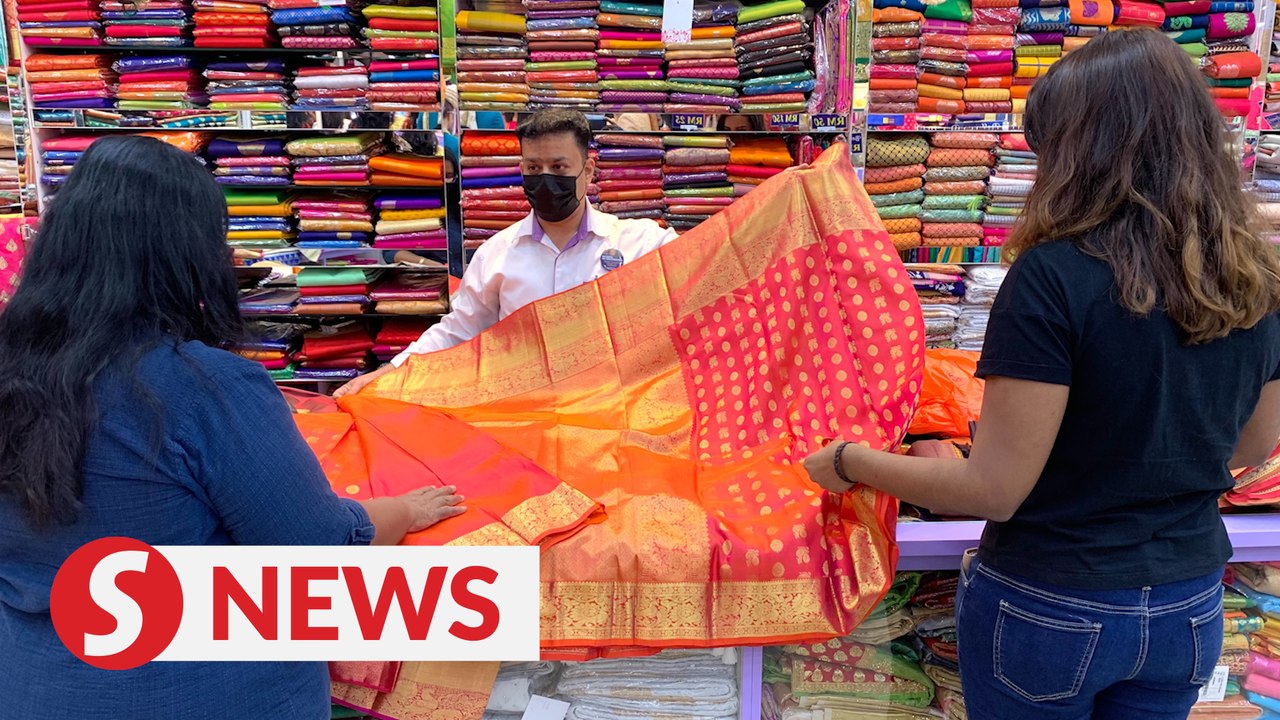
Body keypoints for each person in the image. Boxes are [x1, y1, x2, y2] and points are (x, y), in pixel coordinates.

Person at [804, 28, 1280, 720]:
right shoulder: (1255, 278)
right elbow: (1250, 447)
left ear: (1083, 150)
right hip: (1188, 602)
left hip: (1056, 602)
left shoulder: (1056, 276)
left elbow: (992, 490)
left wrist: (853, 461)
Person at [0, 136, 466, 718]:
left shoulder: (14, 375)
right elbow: (318, 551)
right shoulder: (201, 387)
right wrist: (402, 512)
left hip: (34, 686)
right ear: (182, 256)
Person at [336, 108, 678, 397]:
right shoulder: (496, 255)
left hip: (607, 411)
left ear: (587, 171)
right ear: (522, 169)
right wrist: (390, 371)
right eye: (533, 168)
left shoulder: (640, 244)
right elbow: (458, 330)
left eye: (559, 168)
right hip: (523, 414)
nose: (545, 178)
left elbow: (703, 262)